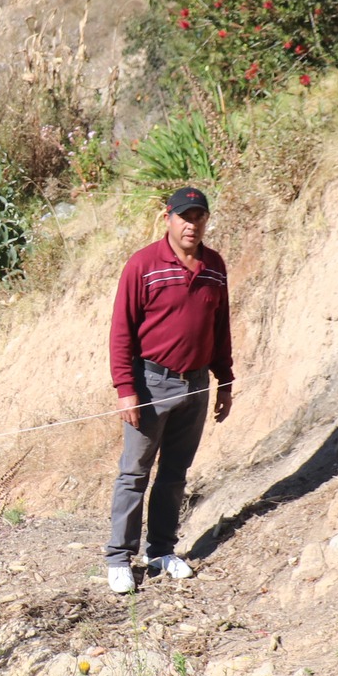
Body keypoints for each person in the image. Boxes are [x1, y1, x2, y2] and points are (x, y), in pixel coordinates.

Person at [103, 187, 234, 595]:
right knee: (135, 473)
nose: (192, 224)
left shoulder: (214, 266)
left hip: (196, 384)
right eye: (184, 216)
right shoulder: (143, 265)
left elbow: (220, 328)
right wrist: (127, 389)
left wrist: (224, 380)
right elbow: (121, 332)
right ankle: (119, 558)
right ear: (168, 218)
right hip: (150, 382)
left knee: (175, 474)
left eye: (199, 216)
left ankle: (160, 550)